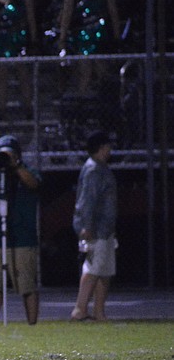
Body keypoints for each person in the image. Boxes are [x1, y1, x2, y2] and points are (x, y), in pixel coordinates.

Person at [0, 135, 42, 325]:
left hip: (22, 237)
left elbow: (34, 184)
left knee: (27, 285)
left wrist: (16, 166)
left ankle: (32, 326)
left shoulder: (27, 172)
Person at [71, 130, 117, 321]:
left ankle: (99, 312)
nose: (110, 150)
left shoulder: (99, 168)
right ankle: (80, 310)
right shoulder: (93, 170)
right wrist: (86, 226)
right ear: (101, 148)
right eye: (107, 146)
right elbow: (88, 201)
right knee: (93, 269)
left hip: (104, 228)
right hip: (96, 228)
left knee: (104, 271)